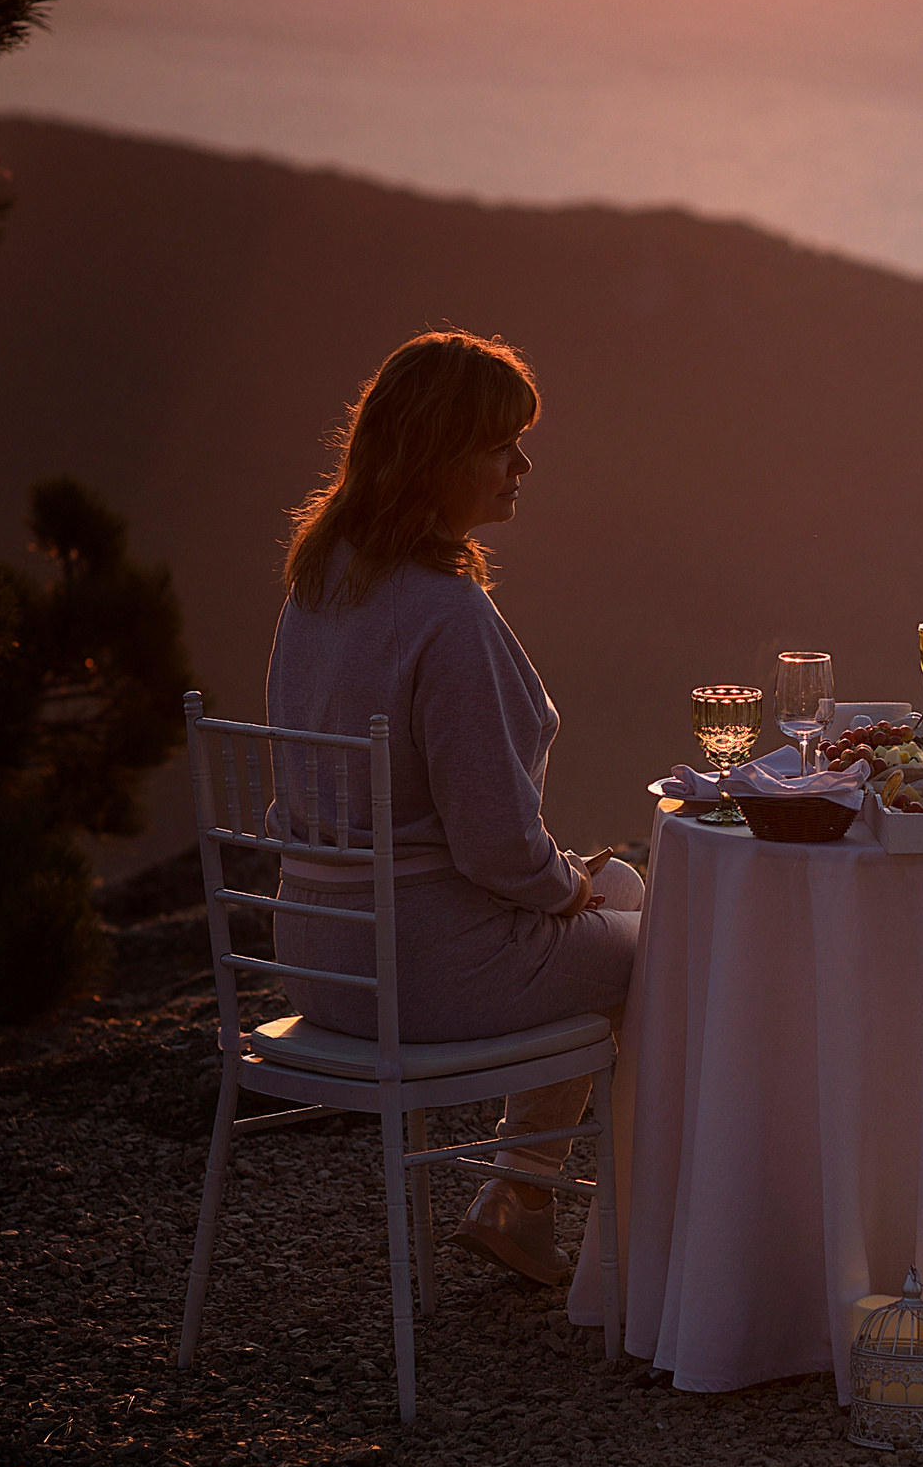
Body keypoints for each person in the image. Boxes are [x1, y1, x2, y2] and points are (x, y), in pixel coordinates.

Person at [265, 329, 643, 1288]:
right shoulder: (448, 618)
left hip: (317, 955)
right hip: (417, 964)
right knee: (668, 947)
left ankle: (519, 1202)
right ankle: (657, 1242)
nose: (522, 463)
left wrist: (576, 886)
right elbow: (497, 848)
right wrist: (564, 891)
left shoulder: (323, 581)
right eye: (498, 444)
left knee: (628, 883)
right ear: (436, 455)